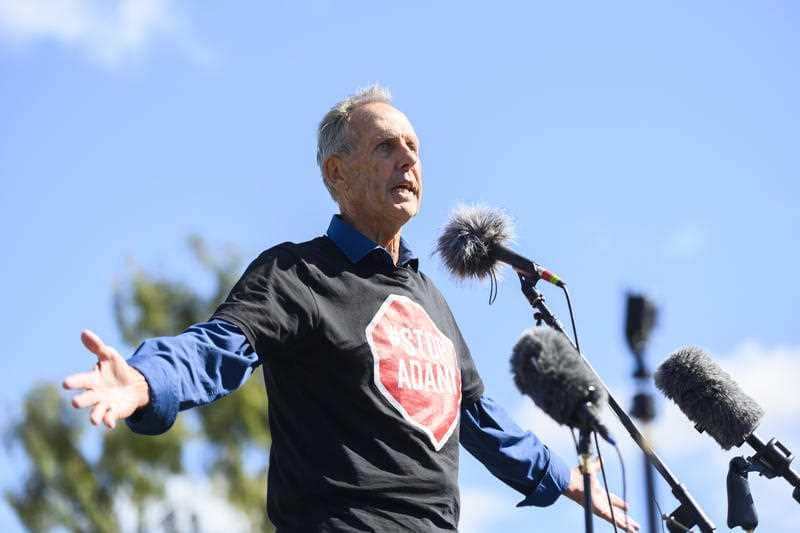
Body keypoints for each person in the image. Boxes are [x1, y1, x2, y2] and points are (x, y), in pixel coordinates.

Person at [64, 86, 640, 532]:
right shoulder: (300, 274)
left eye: (414, 148)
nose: (407, 161)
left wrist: (563, 477)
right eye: (385, 147)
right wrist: (146, 378)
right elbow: (220, 346)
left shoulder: (429, 299)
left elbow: (476, 418)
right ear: (336, 174)